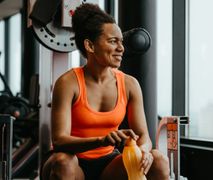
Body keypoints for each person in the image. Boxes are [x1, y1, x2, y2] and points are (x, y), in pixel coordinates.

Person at [41, 3, 169, 180]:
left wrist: (144, 151)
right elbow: (59, 141)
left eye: (121, 42)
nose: (121, 48)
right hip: (73, 162)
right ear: (90, 46)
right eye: (113, 41)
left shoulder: (130, 84)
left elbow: (144, 137)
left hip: (109, 163)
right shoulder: (67, 83)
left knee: (159, 160)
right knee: (63, 163)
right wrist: (102, 140)